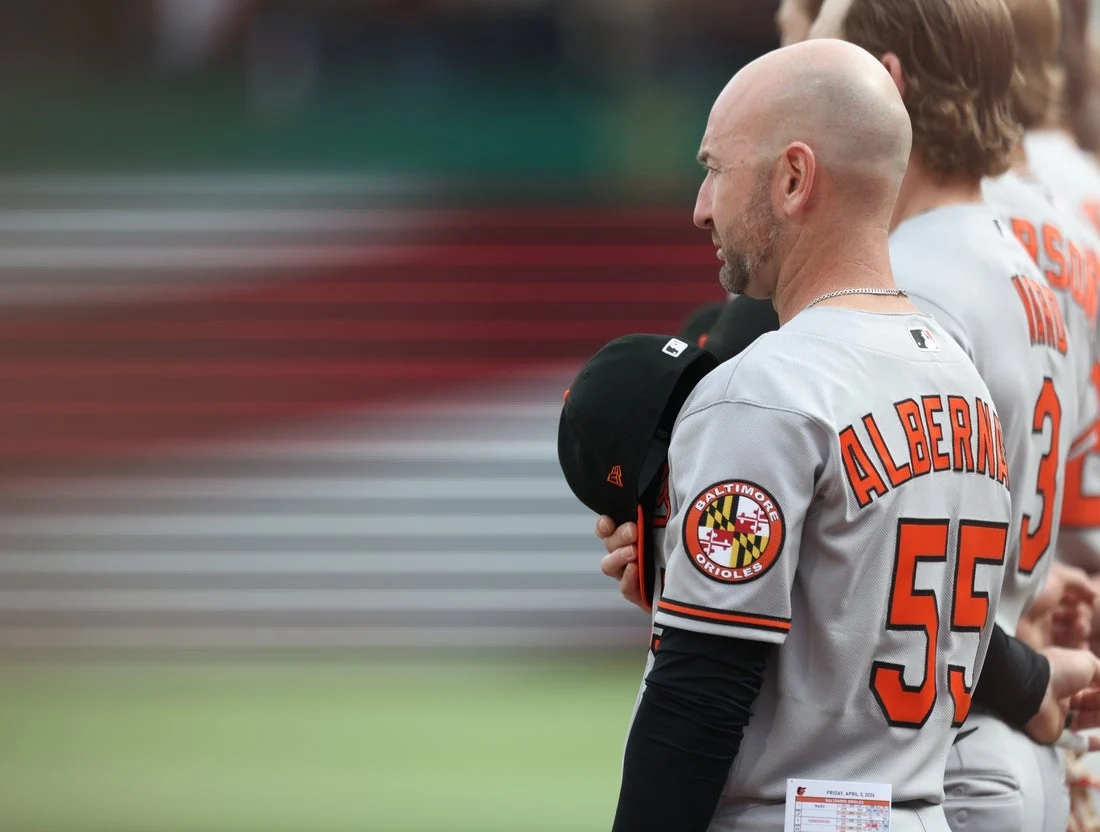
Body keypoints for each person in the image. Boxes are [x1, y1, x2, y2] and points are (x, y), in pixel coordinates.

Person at [598, 1, 1100, 829]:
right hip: (924, 799)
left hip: (812, 806)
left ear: (794, 178)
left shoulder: (764, 390)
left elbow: (700, 693)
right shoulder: (955, 377)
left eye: (714, 168)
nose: (698, 205)